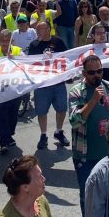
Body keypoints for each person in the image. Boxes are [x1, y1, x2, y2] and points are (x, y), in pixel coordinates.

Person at [68, 55, 109, 217]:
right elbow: (74, 121)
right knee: (88, 197)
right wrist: (94, 100)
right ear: (84, 73)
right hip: (85, 155)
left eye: (99, 71)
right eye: (92, 72)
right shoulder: (76, 92)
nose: (97, 75)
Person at [27, 21, 70, 150]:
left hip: (58, 81)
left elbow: (67, 58)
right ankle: (43, 134)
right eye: (37, 29)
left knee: (61, 108)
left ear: (49, 29)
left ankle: (59, 131)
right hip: (42, 84)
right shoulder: (34, 45)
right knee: (41, 111)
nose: (39, 31)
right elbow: (29, 63)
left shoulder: (58, 41)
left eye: (42, 28)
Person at [0, 29, 25, 153]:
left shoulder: (18, 51)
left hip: (15, 90)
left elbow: (25, 65)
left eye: (7, 40)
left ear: (12, 41)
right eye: (3, 40)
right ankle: (3, 141)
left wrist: (15, 59)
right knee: (1, 114)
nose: (5, 43)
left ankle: (8, 134)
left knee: (13, 114)